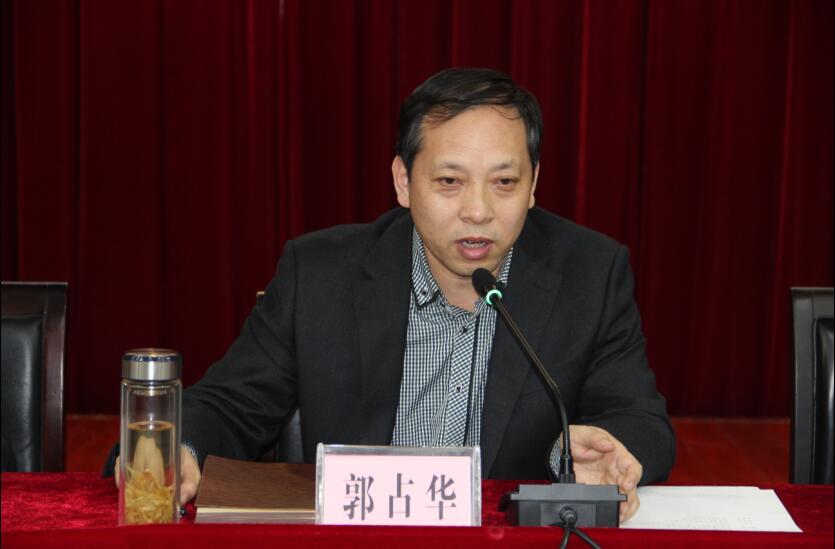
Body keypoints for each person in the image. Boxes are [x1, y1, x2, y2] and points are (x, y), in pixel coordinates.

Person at [115, 68, 675, 522]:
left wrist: (606, 449)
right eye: (449, 181)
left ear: (534, 185)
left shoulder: (590, 273)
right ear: (404, 182)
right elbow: (230, 405)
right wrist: (172, 450)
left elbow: (640, 419)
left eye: (504, 182)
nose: (478, 211)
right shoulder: (321, 274)